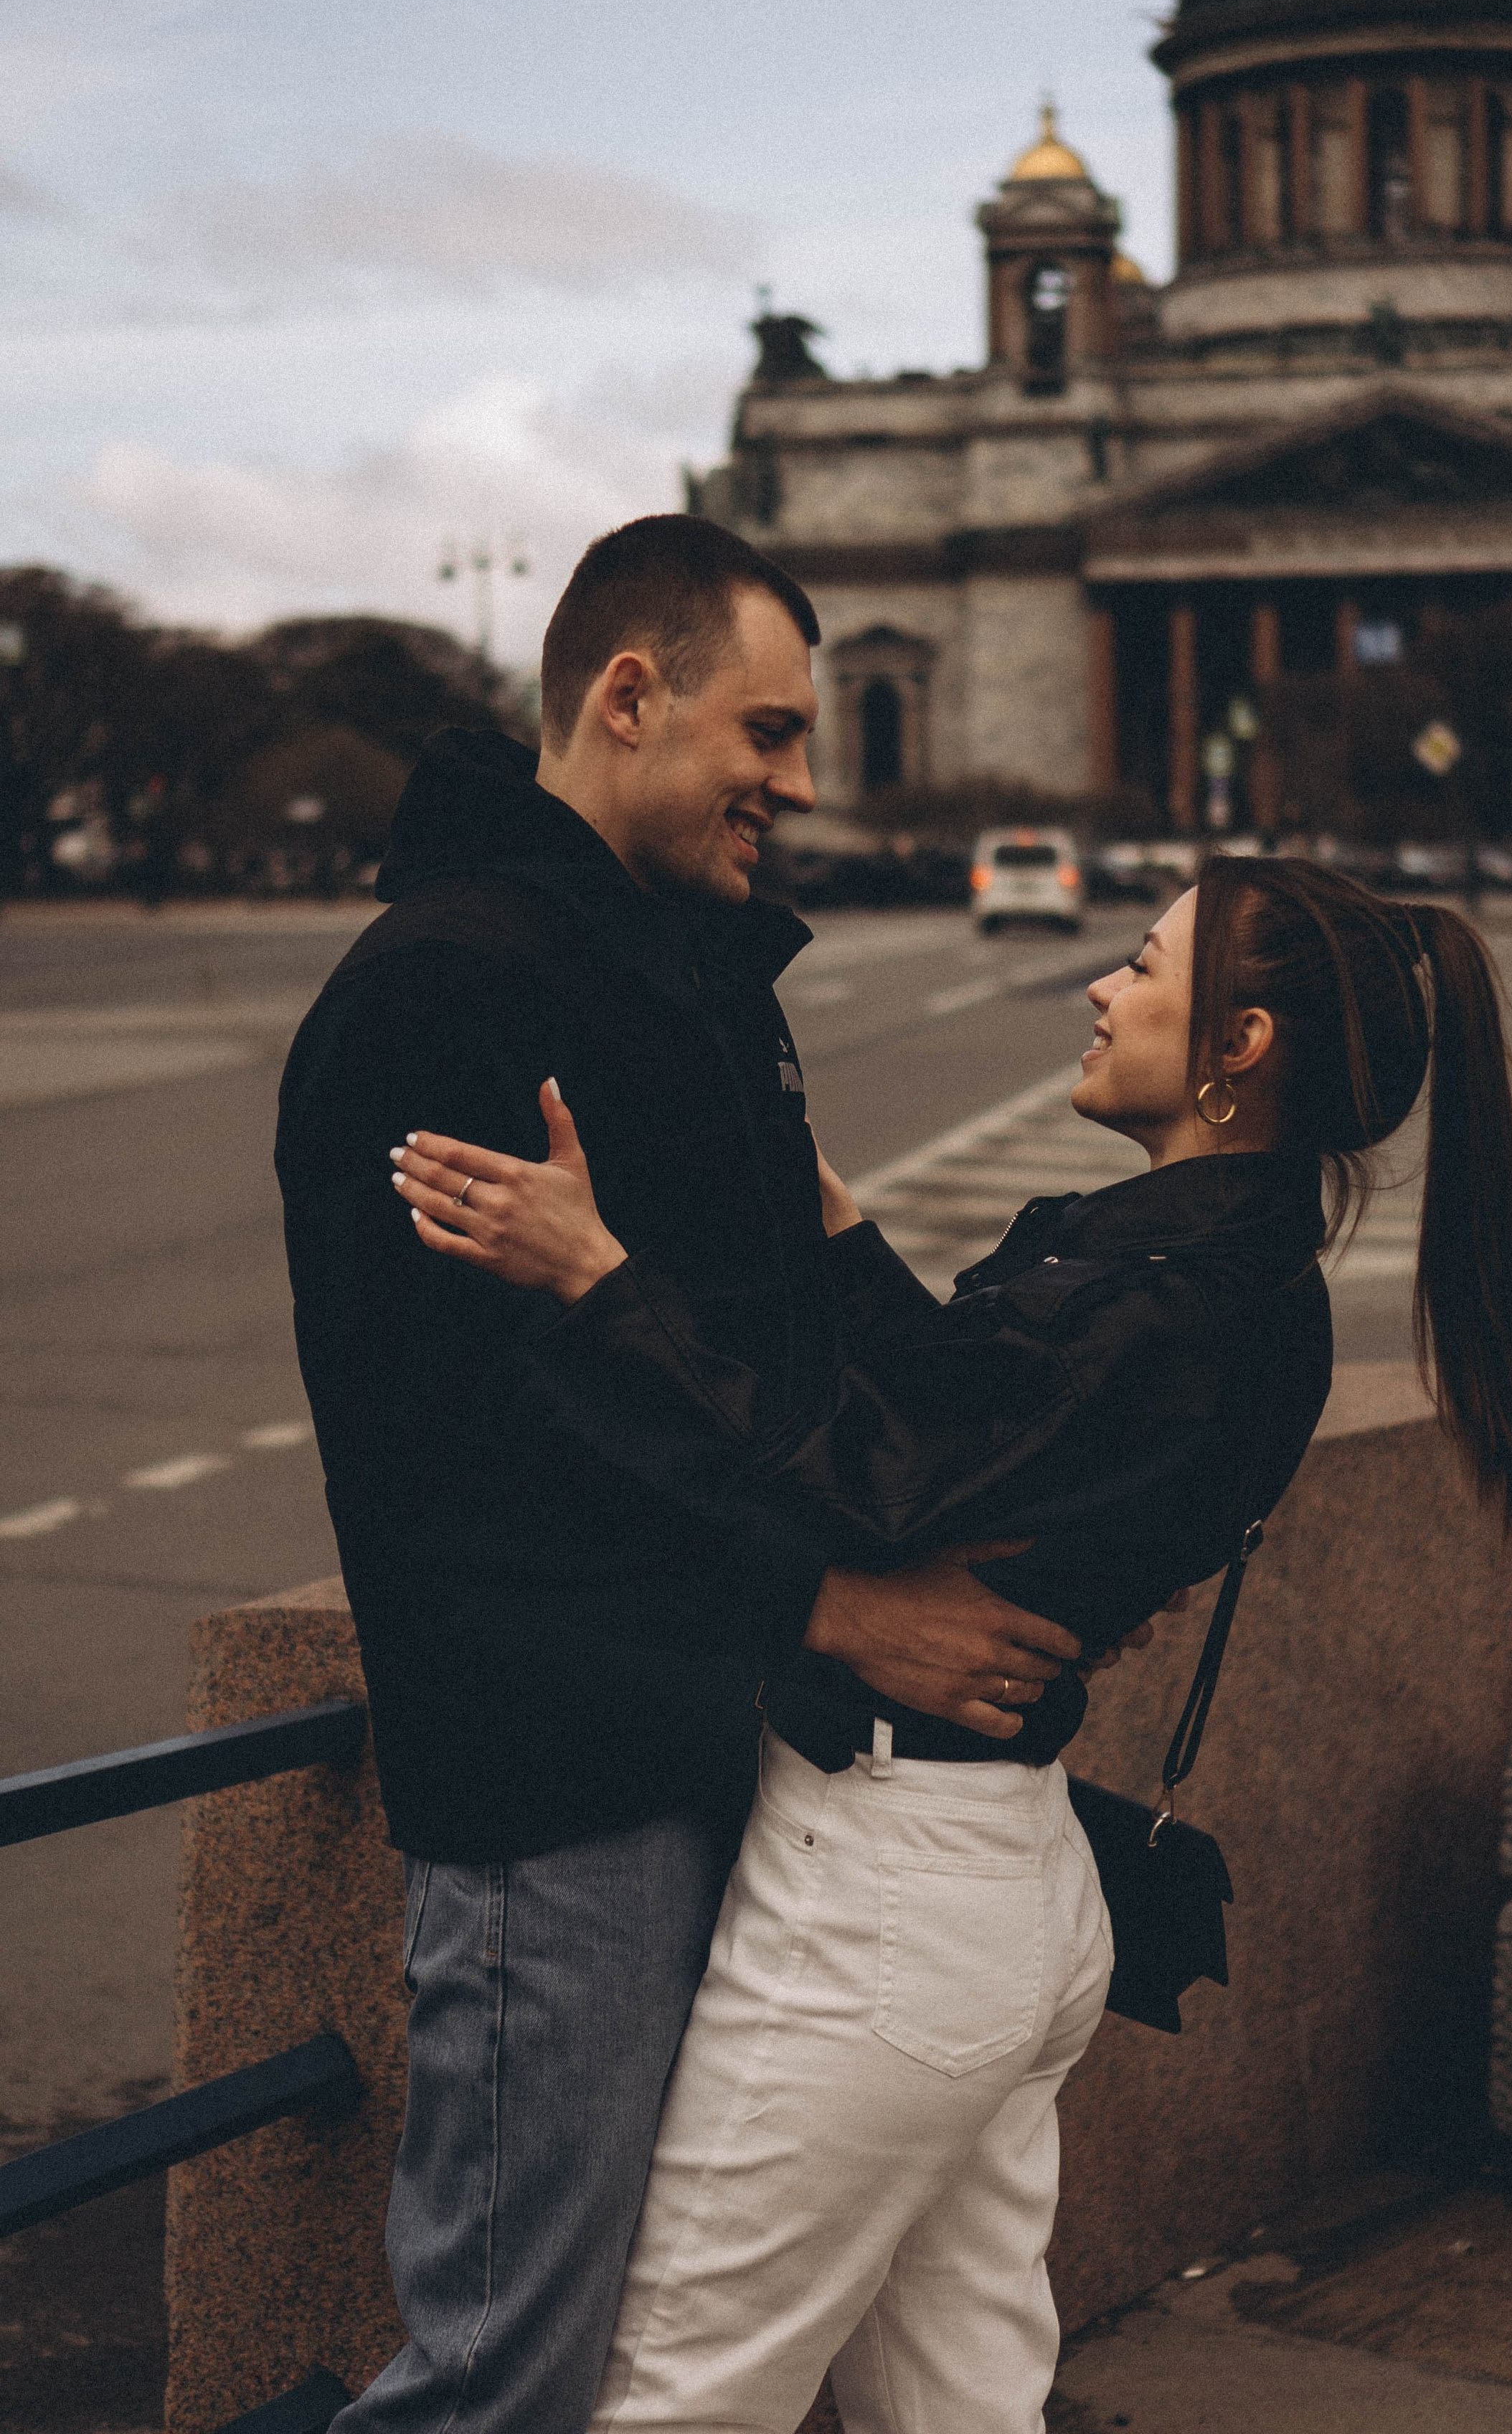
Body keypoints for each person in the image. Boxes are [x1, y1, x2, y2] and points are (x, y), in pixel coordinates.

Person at [392, 853, 1512, 2434]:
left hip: (888, 1907)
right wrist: (818, 1204)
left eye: (1144, 966)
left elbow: (880, 1480)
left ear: (1236, 1048)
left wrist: (597, 1276)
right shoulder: (1223, 1264)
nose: (1102, 986)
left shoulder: (1175, 1297)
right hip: (998, 1889)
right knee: (958, 2406)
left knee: (666, 2398)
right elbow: (965, 1410)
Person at [275, 514, 1085, 2434]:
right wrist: (824, 1604)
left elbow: (759, 1362)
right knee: (512, 2372)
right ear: (628, 698)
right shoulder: (451, 986)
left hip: (719, 1738)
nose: (800, 786)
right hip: (564, 1779)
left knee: (646, 2343)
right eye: (770, 734)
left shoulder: (685, 969)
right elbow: (472, 1431)